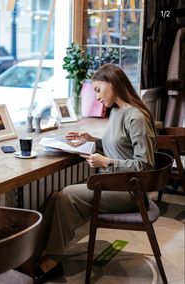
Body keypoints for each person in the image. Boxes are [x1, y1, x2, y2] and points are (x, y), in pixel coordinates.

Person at [30, 63, 157, 283]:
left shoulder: (136, 117)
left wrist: (107, 162)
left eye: (98, 89)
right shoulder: (117, 112)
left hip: (130, 192)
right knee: (54, 197)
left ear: (113, 83)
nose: (96, 97)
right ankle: (32, 255)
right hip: (113, 184)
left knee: (66, 195)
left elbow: (145, 167)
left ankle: (51, 261)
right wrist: (92, 141)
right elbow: (118, 146)